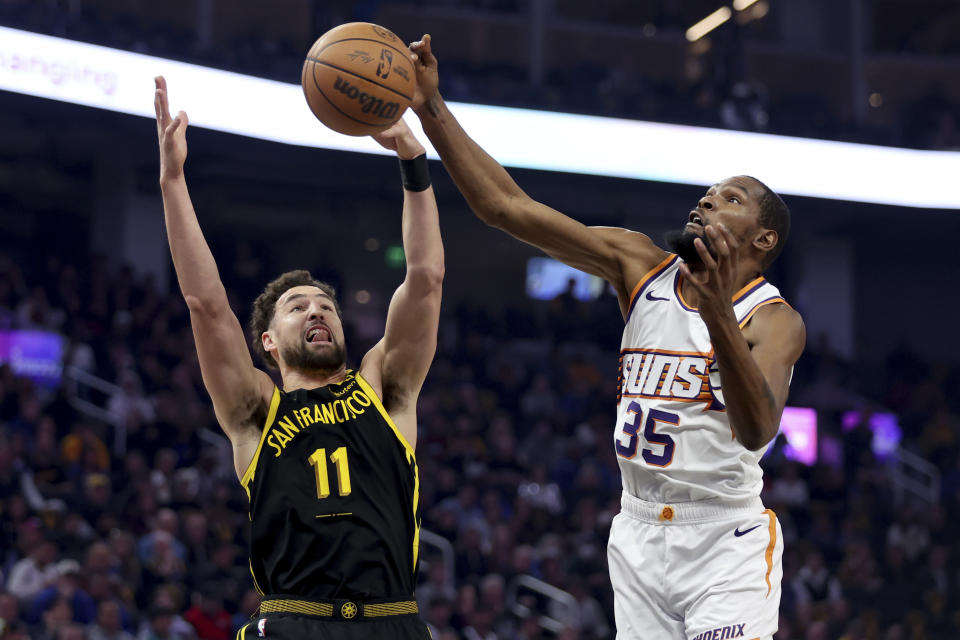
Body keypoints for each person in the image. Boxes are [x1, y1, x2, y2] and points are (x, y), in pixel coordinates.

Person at [405, 37, 805, 640]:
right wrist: (430, 105)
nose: (706, 199)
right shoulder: (638, 263)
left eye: (730, 198)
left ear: (763, 239)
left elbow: (755, 432)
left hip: (725, 537)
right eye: (708, 192)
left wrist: (719, 311)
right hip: (638, 529)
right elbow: (504, 207)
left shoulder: (773, 319)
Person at [153, 76, 443, 639]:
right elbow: (207, 305)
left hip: (391, 621)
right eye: (297, 307)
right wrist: (171, 181)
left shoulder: (382, 386)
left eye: (326, 305)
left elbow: (426, 278)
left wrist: (413, 157)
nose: (317, 312)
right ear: (266, 341)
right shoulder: (255, 409)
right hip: (293, 622)